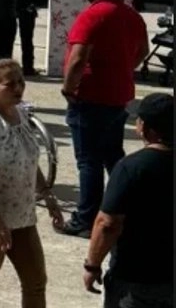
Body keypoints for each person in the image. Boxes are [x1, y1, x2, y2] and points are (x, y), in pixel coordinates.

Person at [0, 60, 64, 308]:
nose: (18, 89)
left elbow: (28, 157)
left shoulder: (20, 112)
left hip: (21, 215)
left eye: (21, 82)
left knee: (36, 281)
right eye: (10, 84)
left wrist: (47, 195)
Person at [60, 0, 149, 238]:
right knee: (113, 155)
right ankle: (127, 208)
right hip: (118, 97)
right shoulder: (131, 15)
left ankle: (86, 217)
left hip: (89, 97)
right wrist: (121, 70)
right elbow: (143, 51)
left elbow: (77, 58)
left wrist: (69, 87)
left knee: (88, 160)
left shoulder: (93, 15)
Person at [83, 92, 172, 308]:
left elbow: (108, 223)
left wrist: (92, 265)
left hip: (136, 278)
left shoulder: (131, 168)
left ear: (145, 128)